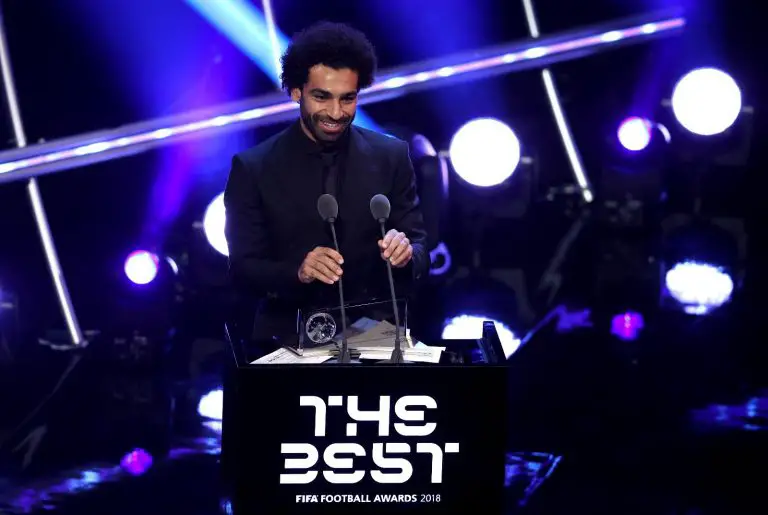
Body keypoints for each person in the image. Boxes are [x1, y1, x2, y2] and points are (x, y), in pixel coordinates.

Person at [224, 21, 429, 345]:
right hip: (288, 339)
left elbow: (419, 247)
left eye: (348, 99)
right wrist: (298, 272)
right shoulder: (253, 168)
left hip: (375, 336)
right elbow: (242, 270)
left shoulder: (391, 155)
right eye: (322, 97)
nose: (336, 112)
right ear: (296, 91)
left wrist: (406, 254)